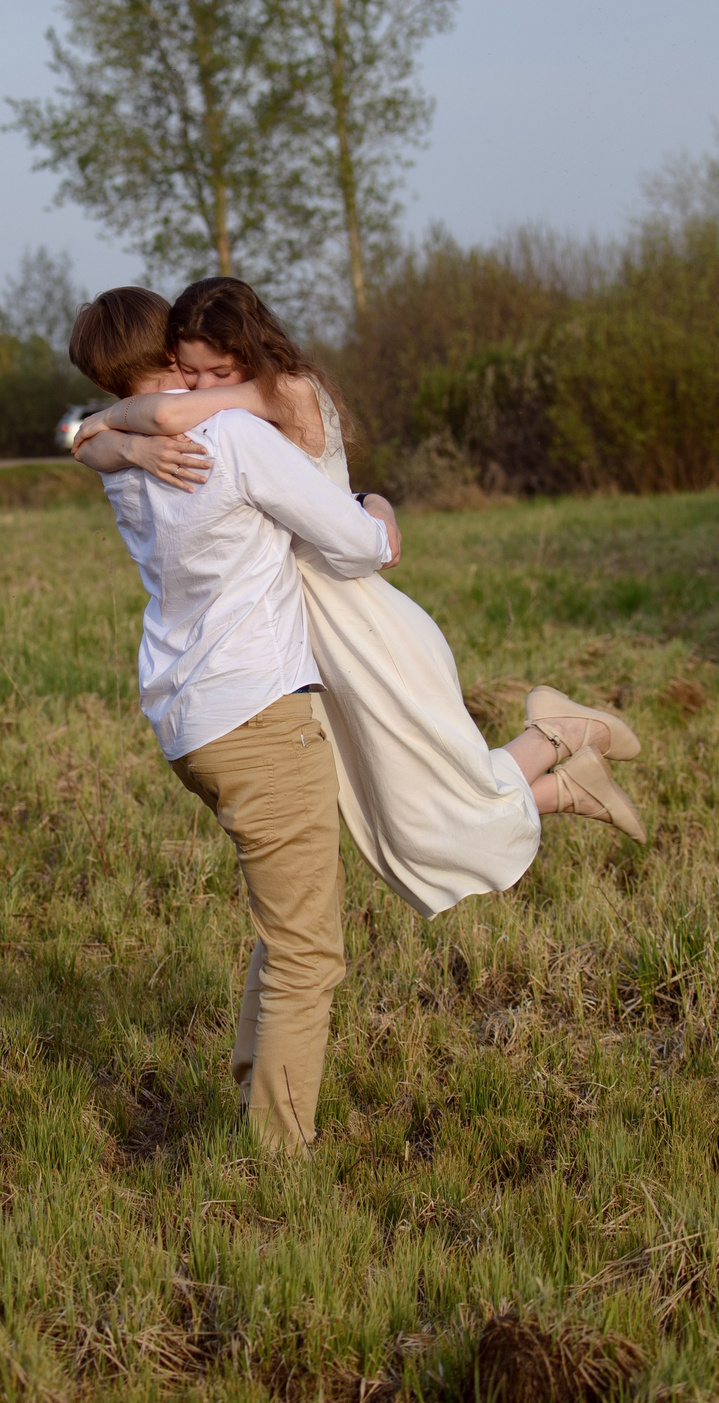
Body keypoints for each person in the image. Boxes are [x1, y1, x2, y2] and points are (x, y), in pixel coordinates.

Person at [66, 287, 613, 1151]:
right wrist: (377, 510)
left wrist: (99, 430)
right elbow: (354, 546)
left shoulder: (123, 461)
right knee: (309, 951)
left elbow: (87, 429)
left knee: (286, 927)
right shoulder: (233, 436)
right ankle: (277, 1161)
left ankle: (257, 1107)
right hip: (258, 715)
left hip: (185, 724)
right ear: (169, 358)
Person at [74, 277, 645, 922]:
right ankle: (566, 781)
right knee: (393, 804)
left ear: (251, 355)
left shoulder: (276, 394)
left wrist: (376, 509)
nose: (201, 388)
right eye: (189, 370)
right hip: (306, 630)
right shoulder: (198, 425)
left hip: (357, 616)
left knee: (424, 799)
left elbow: (167, 417)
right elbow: (105, 426)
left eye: (215, 371)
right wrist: (112, 438)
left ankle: (558, 734)